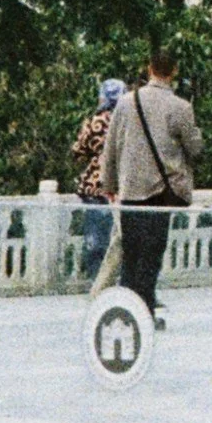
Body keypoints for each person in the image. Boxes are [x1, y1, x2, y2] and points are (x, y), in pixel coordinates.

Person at [102, 50, 203, 316]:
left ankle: (127, 306)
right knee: (152, 253)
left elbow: (110, 147)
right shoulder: (180, 107)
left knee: (131, 253)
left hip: (131, 190)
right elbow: (195, 149)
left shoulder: (125, 102)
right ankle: (144, 306)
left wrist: (109, 184)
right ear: (174, 72)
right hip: (160, 192)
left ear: (149, 69)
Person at [72, 76, 126, 282]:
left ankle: (97, 280)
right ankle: (119, 278)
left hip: (96, 185)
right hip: (123, 185)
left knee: (96, 237)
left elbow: (78, 151)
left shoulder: (95, 122)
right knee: (122, 237)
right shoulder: (129, 121)